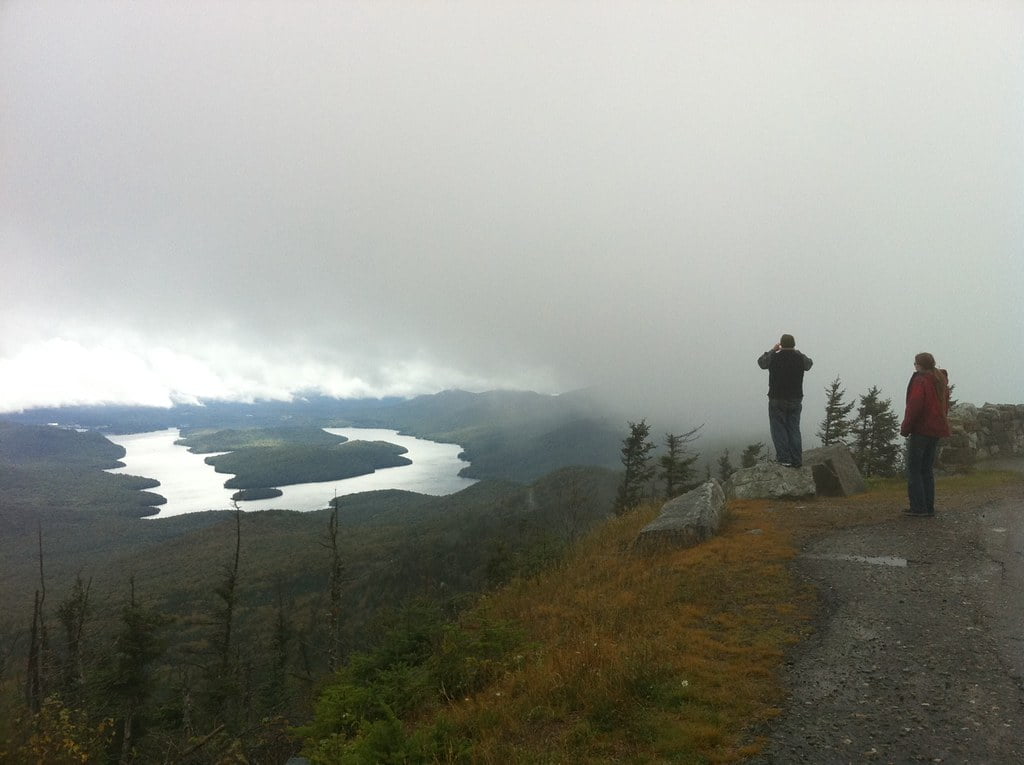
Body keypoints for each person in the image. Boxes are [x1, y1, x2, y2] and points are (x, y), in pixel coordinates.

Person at [900, 352, 951, 517]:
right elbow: (944, 406)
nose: (914, 365)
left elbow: (914, 406)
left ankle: (918, 507)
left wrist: (905, 428)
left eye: (915, 363)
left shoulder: (921, 381)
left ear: (920, 364)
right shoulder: (939, 380)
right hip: (935, 430)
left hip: (921, 430)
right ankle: (928, 507)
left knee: (915, 469)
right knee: (927, 470)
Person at [757, 334, 813, 467]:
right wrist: (797, 352)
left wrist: (773, 350)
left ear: (781, 344)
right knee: (794, 428)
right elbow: (809, 364)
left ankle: (784, 459)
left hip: (777, 398)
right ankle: (797, 459)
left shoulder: (774, 357)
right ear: (794, 344)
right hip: (795, 399)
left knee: (779, 429)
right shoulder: (799, 358)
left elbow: (761, 362)